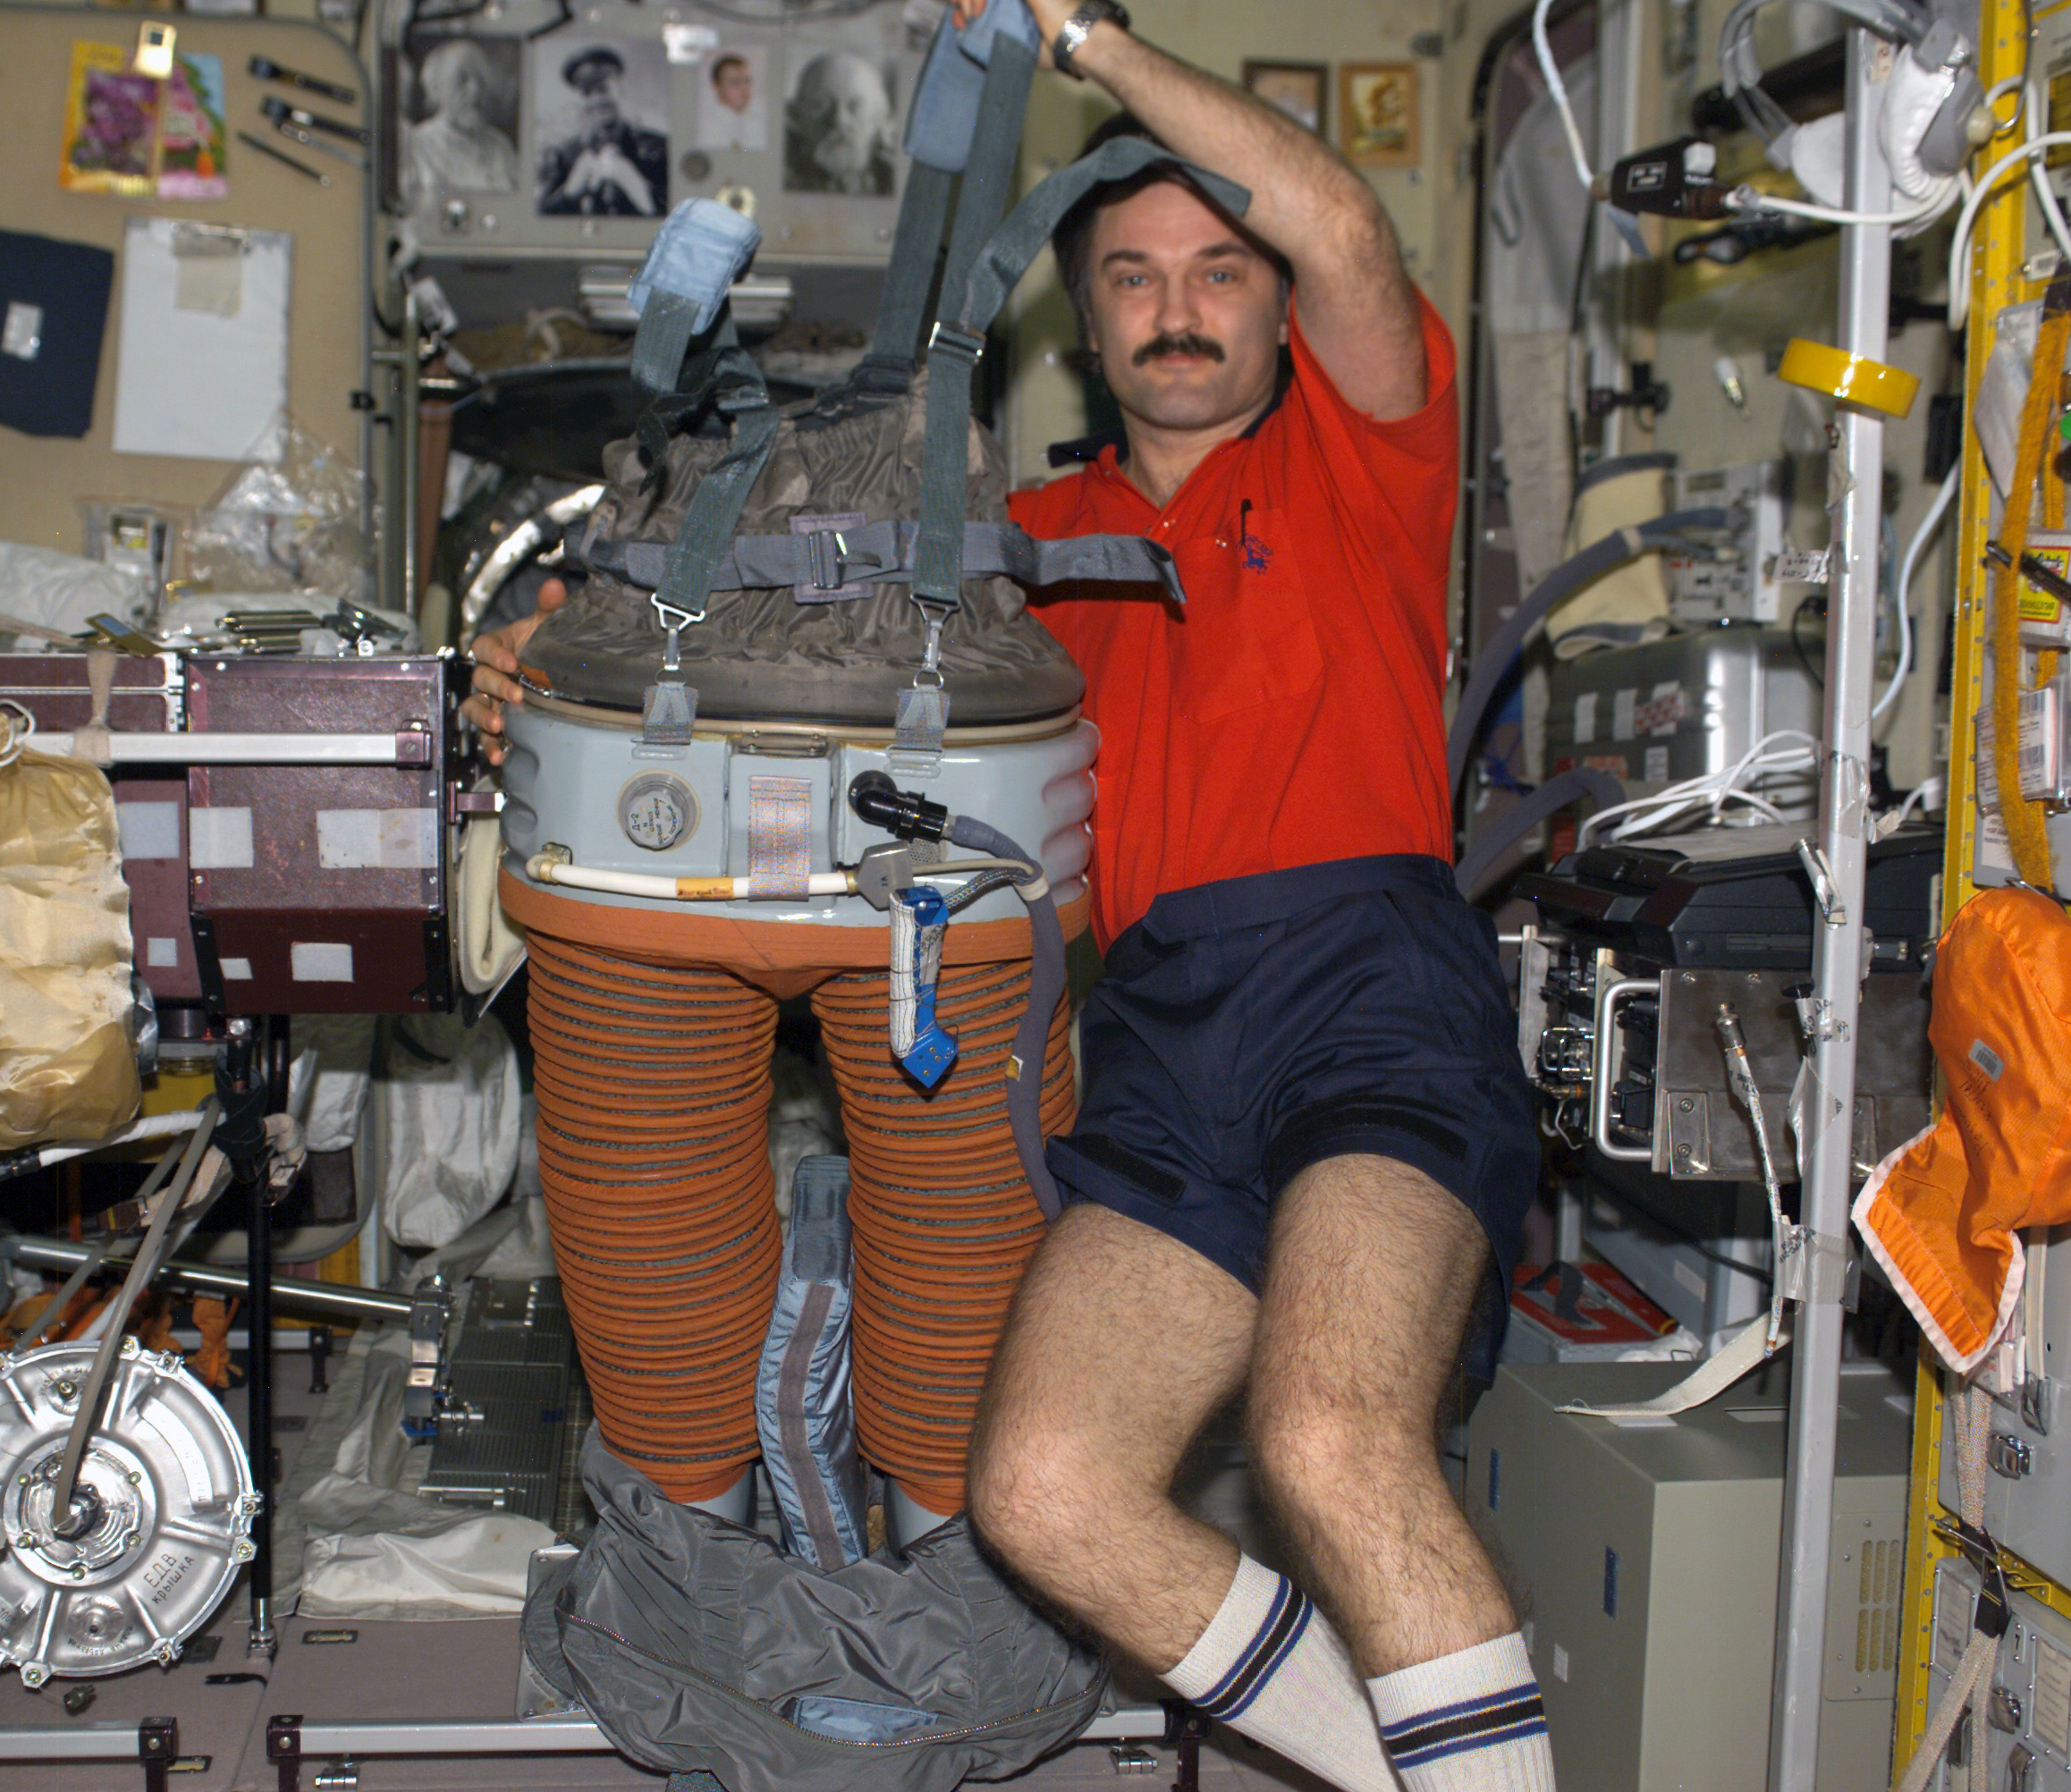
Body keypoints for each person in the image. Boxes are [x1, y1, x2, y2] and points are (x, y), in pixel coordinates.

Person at [465, 4, 1547, 1787]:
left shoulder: (1364, 460)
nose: (1176, 307)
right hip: (1159, 1031)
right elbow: (760, 626)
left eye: (1216, 272)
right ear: (1085, 320)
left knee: (1328, 1437)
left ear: (1277, 308)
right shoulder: (1009, 555)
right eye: (1131, 277)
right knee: (1039, 1489)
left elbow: (1348, 228)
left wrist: (1087, 42)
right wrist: (553, 665)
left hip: (1369, 985)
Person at [537, 45, 668, 216]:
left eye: (603, 90)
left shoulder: (659, 148)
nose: (596, 101)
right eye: (586, 93)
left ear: (620, 90)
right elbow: (540, 216)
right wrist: (568, 192)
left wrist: (636, 185)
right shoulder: (565, 154)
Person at [410, 38, 519, 194]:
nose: (476, 90)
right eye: (461, 79)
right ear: (435, 89)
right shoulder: (417, 145)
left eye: (481, 80)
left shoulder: (501, 146)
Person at [783, 51, 896, 195]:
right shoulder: (783, 177)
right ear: (796, 115)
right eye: (821, 105)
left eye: (855, 107)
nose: (839, 120)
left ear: (879, 117)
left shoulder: (892, 181)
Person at [697, 51, 763, 150]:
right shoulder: (704, 129)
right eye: (735, 82)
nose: (744, 88)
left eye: (747, 81)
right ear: (716, 87)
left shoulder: (759, 121)